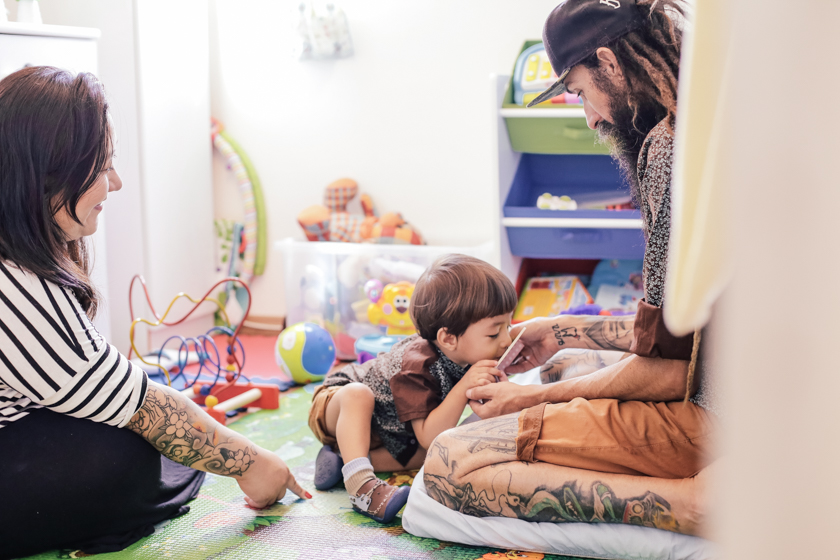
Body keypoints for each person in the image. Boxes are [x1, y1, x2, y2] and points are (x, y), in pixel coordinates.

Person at [423, 0, 720, 537]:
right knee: (564, 364)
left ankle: (686, 503)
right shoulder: (716, 127)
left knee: (448, 462)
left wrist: (528, 398)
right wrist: (561, 330)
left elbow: (670, 372)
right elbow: (689, 335)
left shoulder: (668, 149)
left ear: (609, 61)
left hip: (714, 421)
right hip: (743, 398)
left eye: (581, 92)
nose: (591, 118)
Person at [0, 66, 310, 560]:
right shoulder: (18, 287)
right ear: (48, 175)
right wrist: (254, 463)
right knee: (125, 452)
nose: (116, 182)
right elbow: (143, 406)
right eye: (103, 167)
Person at [308, 254, 516, 523]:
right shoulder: (415, 367)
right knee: (359, 395)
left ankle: (342, 460)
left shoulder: (465, 354)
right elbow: (429, 434)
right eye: (494, 333)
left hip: (390, 432)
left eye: (509, 326)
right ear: (448, 338)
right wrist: (464, 387)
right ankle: (361, 489)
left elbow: (433, 440)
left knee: (437, 454)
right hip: (338, 403)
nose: (506, 339)